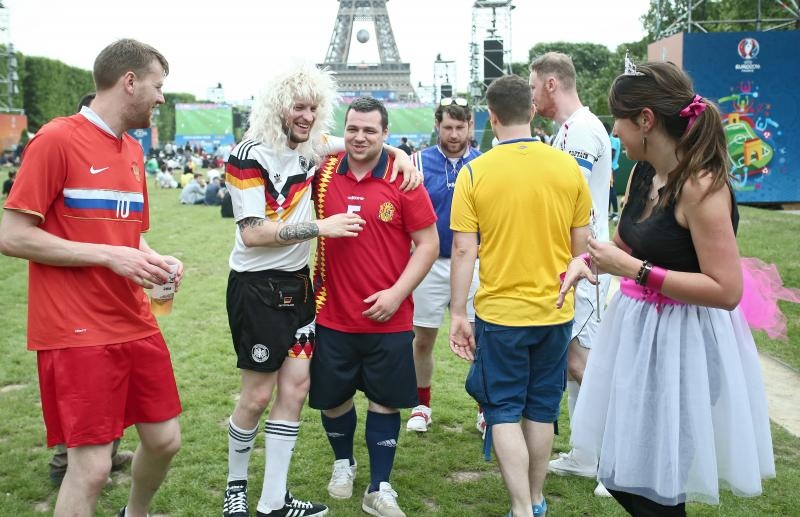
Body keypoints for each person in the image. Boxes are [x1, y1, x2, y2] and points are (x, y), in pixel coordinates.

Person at [558, 60, 775, 516]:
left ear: (646, 120)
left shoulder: (701, 186)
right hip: (638, 338)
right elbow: (624, 242)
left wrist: (634, 270)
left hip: (687, 346)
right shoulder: (641, 174)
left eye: (617, 118)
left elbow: (725, 289)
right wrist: (584, 261)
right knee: (621, 474)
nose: (613, 131)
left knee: (656, 488)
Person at [222, 65, 420, 517]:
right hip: (257, 288)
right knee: (255, 397)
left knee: (294, 392)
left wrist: (402, 154)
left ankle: (273, 500)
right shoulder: (248, 154)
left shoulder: (311, 147)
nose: (308, 116)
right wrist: (321, 226)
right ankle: (236, 488)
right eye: (299, 106)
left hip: (300, 288)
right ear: (279, 107)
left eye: (313, 107)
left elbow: (362, 139)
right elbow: (253, 233)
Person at [0, 38, 183, 517]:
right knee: (92, 469)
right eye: (158, 86)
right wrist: (107, 257)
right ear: (129, 81)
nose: (162, 97)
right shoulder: (56, 139)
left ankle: (133, 513)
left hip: (134, 320)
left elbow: (128, 237)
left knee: (165, 441)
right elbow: (13, 236)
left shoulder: (134, 153)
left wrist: (157, 260)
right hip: (75, 329)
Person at [449, 74, 592, 517]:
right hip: (555, 310)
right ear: (531, 110)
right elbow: (581, 248)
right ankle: (534, 500)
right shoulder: (567, 167)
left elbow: (462, 249)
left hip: (501, 313)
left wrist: (457, 312)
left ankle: (522, 508)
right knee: (541, 408)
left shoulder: (475, 172)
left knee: (504, 410)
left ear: (490, 116)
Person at [309, 97, 439, 517]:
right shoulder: (322, 173)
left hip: (390, 317)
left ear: (385, 133)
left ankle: (379, 486)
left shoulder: (403, 180)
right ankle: (342, 463)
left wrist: (397, 293)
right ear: (342, 131)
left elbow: (428, 243)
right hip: (332, 313)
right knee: (333, 399)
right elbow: (295, 141)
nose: (360, 137)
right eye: (353, 129)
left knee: (385, 402)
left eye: (370, 130)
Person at [529, 51, 613, 496]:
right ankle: (584, 454)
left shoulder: (581, 129)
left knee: (584, 361)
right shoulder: (568, 129)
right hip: (575, 261)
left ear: (550, 84)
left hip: (586, 262)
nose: (529, 93)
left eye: (532, 83)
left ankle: (617, 462)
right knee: (573, 358)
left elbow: (566, 201)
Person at [405, 97, 482, 435]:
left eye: (459, 127)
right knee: (422, 338)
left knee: (481, 338)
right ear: (437, 125)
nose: (453, 134)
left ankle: (485, 407)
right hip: (429, 262)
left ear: (470, 127)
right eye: (447, 127)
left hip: (475, 262)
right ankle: (421, 405)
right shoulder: (415, 162)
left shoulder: (483, 163)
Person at [607, 123, 621, 220]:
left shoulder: (613, 140)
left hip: (611, 169)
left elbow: (611, 154)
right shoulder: (610, 139)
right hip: (609, 169)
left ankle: (615, 213)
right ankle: (608, 213)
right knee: (608, 191)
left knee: (611, 191)